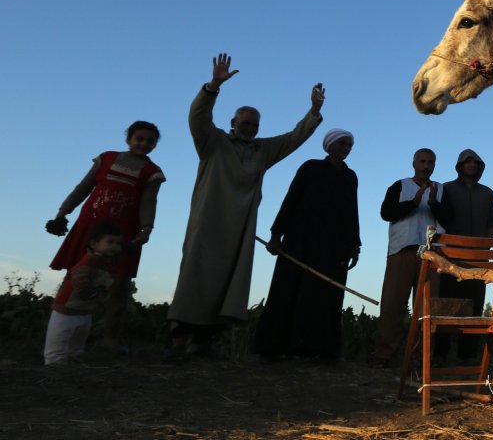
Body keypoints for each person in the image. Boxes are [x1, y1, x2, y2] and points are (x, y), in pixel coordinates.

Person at [166, 53, 324, 361]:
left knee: (227, 281)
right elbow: (197, 117)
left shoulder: (262, 151)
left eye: (254, 124)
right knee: (194, 277)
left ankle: (204, 341)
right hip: (207, 222)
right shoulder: (213, 142)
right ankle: (178, 338)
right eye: (245, 123)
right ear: (233, 123)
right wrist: (213, 85)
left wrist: (314, 111)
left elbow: (294, 137)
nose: (250, 128)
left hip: (240, 228)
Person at [46, 120, 165, 353]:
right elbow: (84, 187)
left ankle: (110, 338)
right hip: (89, 228)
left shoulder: (153, 172)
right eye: (139, 138)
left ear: (154, 145)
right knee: (74, 275)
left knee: (120, 284)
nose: (143, 143)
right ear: (128, 138)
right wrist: (62, 213)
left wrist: (146, 229)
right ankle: (59, 332)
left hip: (124, 235)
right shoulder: (107, 158)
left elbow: (148, 201)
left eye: (150, 141)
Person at [253, 129, 360, 361]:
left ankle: (320, 350)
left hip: (335, 247)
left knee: (326, 295)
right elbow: (291, 199)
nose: (346, 148)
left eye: (349, 145)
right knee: (291, 288)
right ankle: (275, 347)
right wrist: (276, 234)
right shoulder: (310, 168)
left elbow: (352, 211)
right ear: (330, 145)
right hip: (302, 241)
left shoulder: (350, 176)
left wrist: (355, 244)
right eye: (342, 143)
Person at [371, 148, 449, 368]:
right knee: (393, 304)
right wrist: (414, 202)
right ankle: (384, 355)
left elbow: (450, 219)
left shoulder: (441, 190)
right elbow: (386, 213)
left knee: (428, 308)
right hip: (402, 250)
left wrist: (433, 203)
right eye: (422, 161)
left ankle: (421, 358)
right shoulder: (399, 186)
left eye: (430, 162)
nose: (426, 166)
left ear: (435, 165)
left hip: (433, 254)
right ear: (414, 163)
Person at [435, 148, 493, 363]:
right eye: (467, 161)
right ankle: (441, 355)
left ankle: (467, 355)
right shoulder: (447, 189)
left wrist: (486, 245)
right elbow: (439, 217)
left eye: (475, 161)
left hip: (478, 258)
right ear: (460, 165)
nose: (471, 164)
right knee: (447, 305)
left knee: (475, 306)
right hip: (450, 257)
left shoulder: (487, 193)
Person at [43, 221, 123, 365]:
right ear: (94, 244)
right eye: (110, 242)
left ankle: (74, 357)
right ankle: (54, 363)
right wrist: (92, 294)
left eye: (118, 243)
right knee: (60, 336)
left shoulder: (107, 263)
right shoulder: (90, 261)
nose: (115, 246)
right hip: (67, 308)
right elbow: (78, 277)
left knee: (79, 338)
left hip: (84, 310)